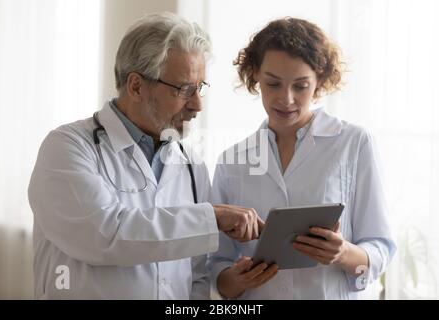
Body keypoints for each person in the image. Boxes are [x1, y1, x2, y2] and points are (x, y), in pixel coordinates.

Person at [28, 12, 263, 299]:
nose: (197, 104)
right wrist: (210, 218)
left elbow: (196, 274)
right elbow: (105, 235)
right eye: (185, 89)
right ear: (137, 86)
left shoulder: (192, 166)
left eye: (200, 88)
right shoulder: (67, 147)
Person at [208, 17, 396, 299]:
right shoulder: (232, 160)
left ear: (319, 81)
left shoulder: (353, 143)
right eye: (273, 84)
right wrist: (236, 279)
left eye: (300, 86)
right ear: (256, 75)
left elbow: (380, 247)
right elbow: (216, 269)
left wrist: (343, 252)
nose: (286, 99)